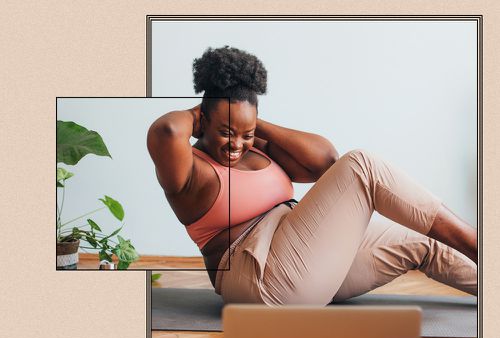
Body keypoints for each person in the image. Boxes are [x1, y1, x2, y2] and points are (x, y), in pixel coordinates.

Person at [147, 46, 477, 305]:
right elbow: (166, 130)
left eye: (246, 134)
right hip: (260, 280)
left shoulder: (256, 147)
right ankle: (480, 244)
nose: (237, 144)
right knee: (363, 164)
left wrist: (249, 122)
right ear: (203, 121)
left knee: (426, 241)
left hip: (305, 263)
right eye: (226, 132)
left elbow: (325, 160)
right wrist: (205, 111)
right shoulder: (190, 171)